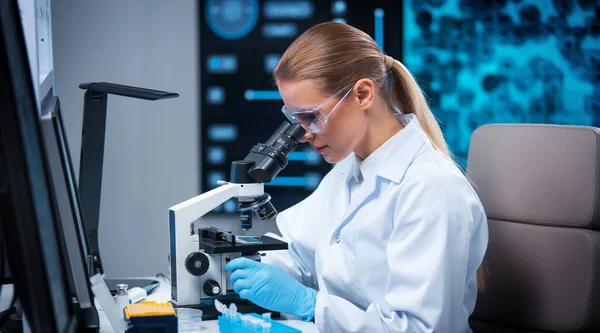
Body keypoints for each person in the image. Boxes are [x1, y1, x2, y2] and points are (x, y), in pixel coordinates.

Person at [225, 22, 488, 332]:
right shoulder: (348, 171)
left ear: (363, 94)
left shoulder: (431, 189)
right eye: (295, 119)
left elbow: (419, 328)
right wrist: (243, 266)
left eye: (311, 116)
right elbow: (298, 253)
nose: (304, 135)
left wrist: (308, 304)